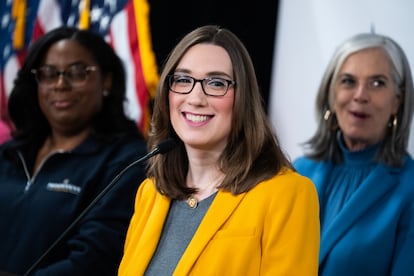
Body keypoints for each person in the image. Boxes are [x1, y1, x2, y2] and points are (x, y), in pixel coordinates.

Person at [118, 25, 320, 275]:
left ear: (243, 98)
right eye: (182, 79)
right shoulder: (149, 193)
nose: (195, 97)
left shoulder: (288, 194)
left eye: (216, 83)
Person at [0, 26, 148, 275]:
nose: (60, 84)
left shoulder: (127, 162)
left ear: (107, 81)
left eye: (78, 73)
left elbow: (93, 261)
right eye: (48, 74)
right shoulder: (9, 154)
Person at [293, 33, 414, 275]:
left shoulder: (409, 187)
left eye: (377, 83)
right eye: (348, 81)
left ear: (397, 101)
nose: (360, 95)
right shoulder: (297, 171)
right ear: (331, 93)